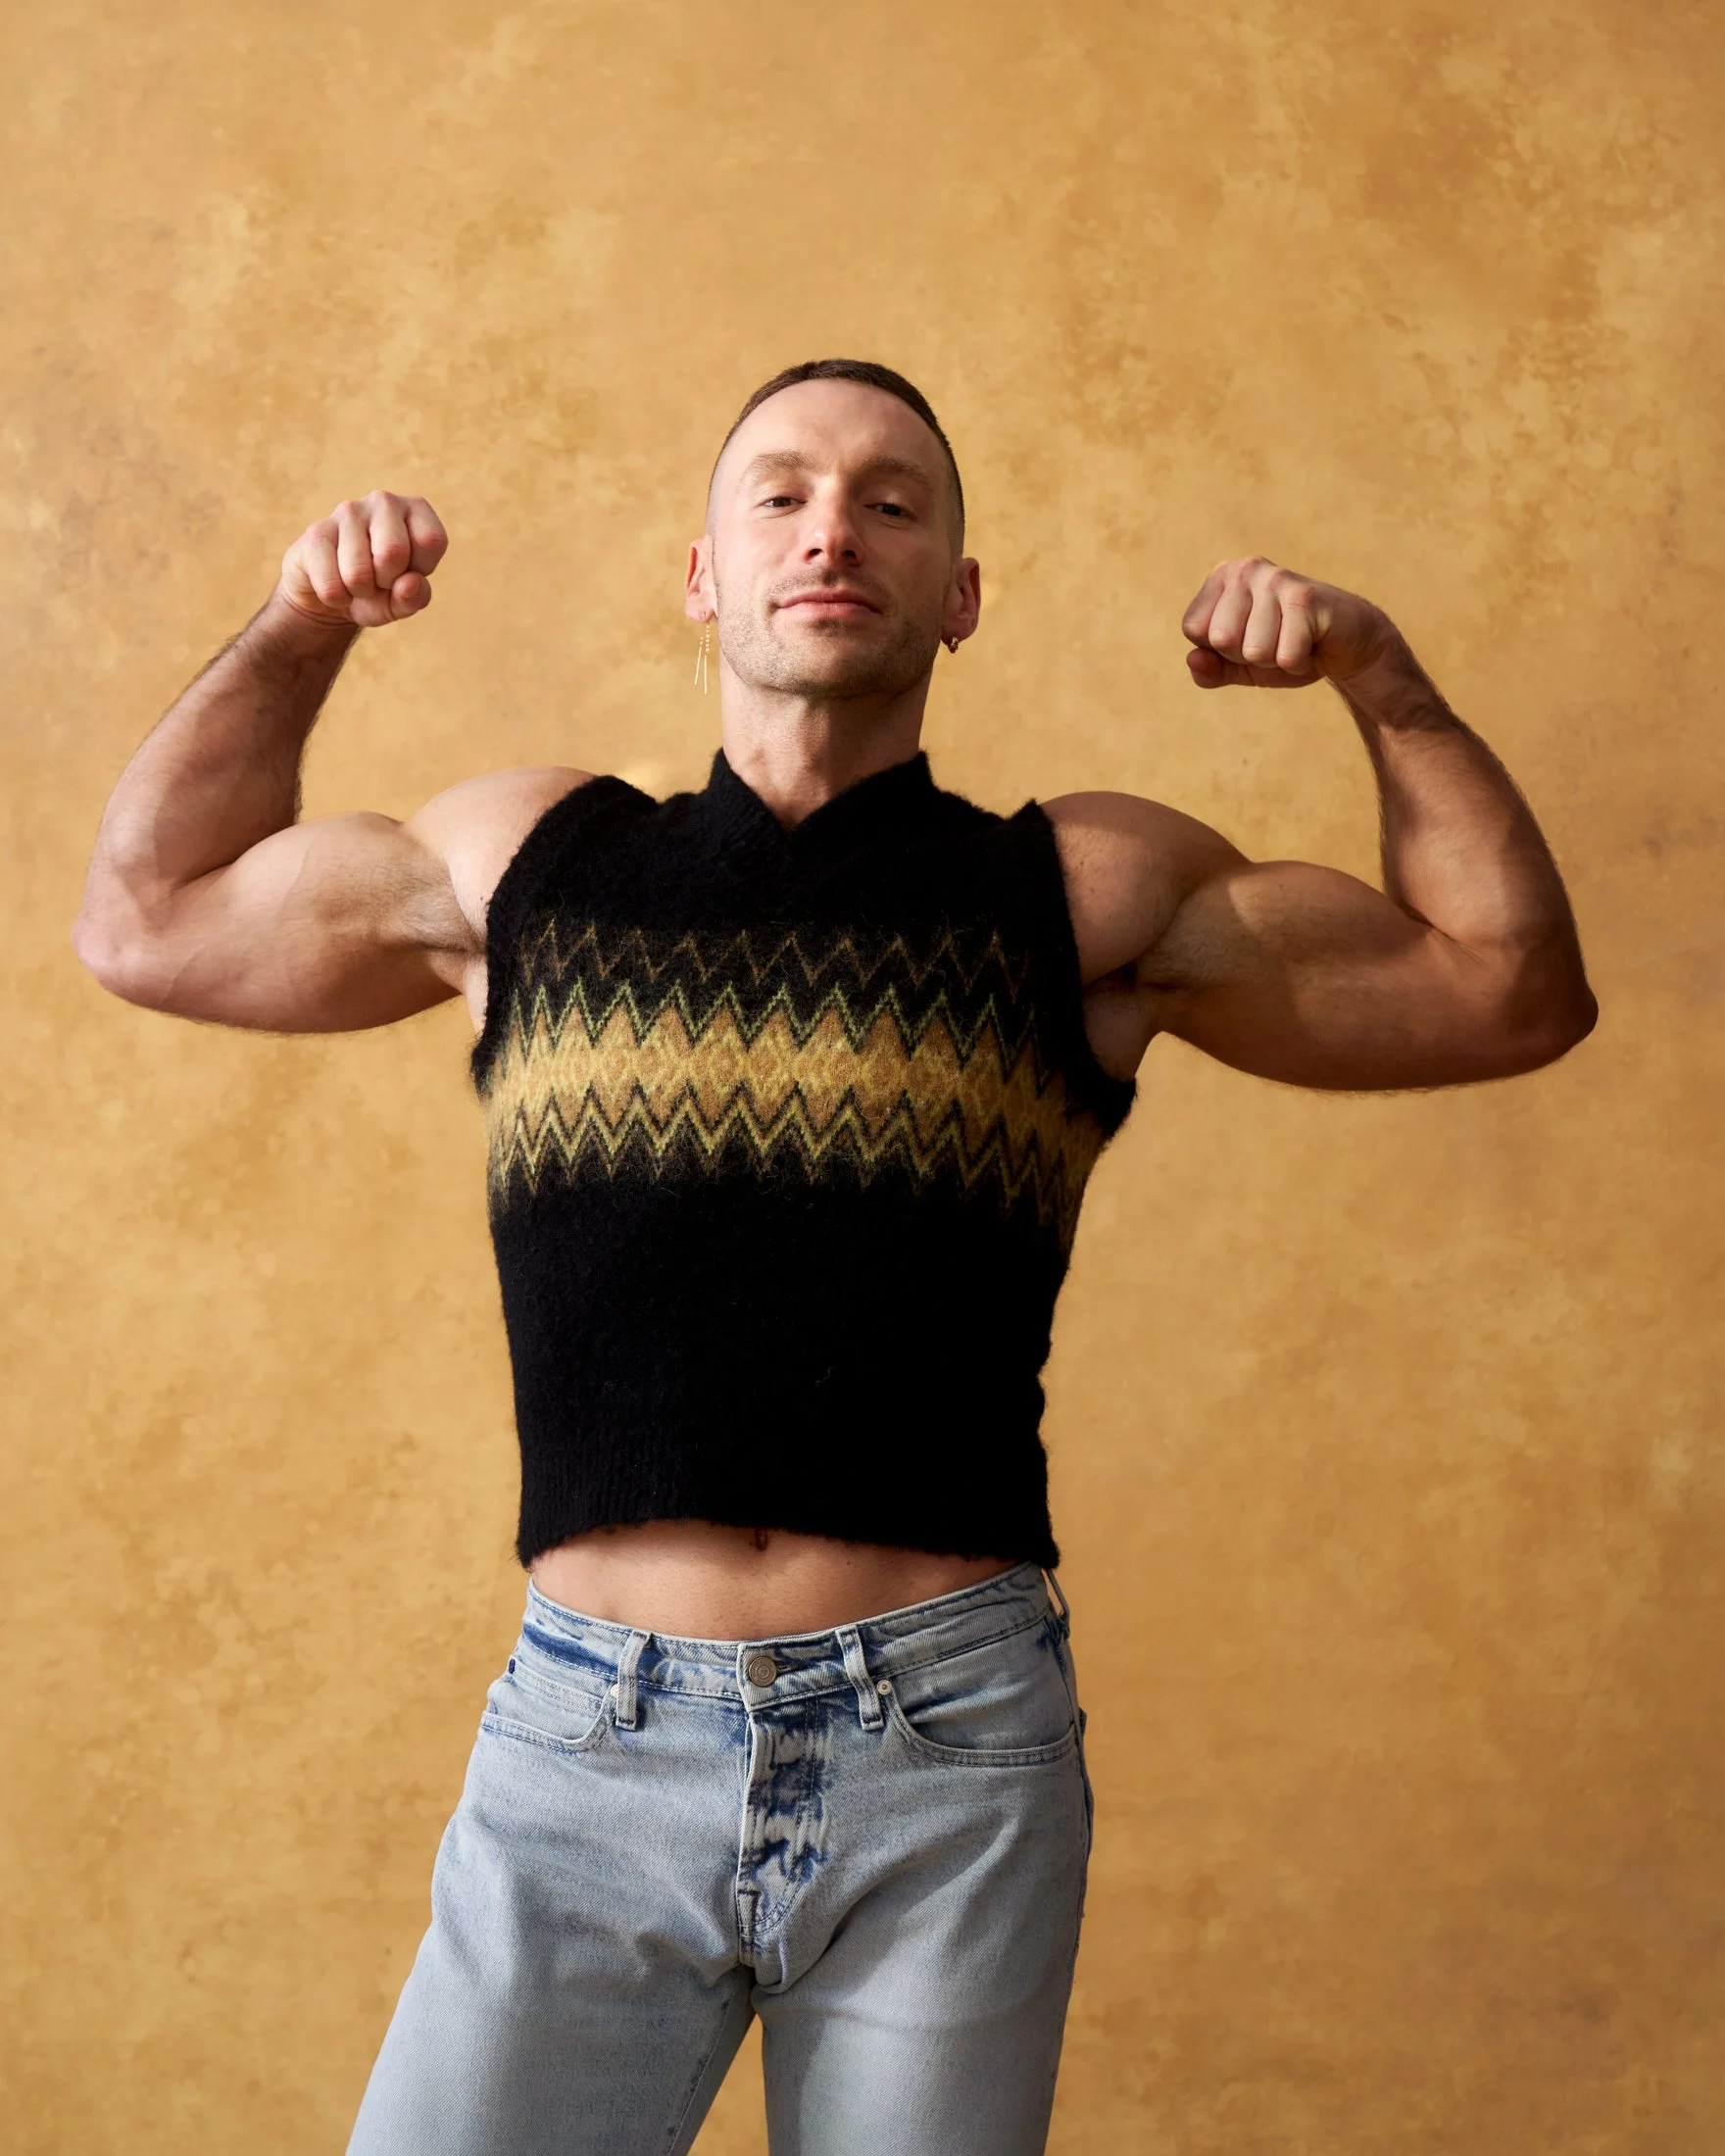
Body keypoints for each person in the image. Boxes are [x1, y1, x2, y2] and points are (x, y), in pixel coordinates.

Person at [73, 358, 1597, 2156]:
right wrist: (300, 627)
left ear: (959, 594)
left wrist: (1381, 679)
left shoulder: (1084, 893)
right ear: (702, 574)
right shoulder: (526, 867)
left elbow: (1508, 989)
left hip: (946, 1755)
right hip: (588, 1746)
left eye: (893, 499)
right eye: (780, 492)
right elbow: (148, 921)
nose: (832, 529)